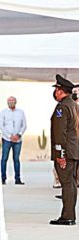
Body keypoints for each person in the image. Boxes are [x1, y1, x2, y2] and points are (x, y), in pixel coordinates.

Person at [49, 74, 79, 226]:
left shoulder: (62, 107)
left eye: (56, 90)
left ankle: (68, 216)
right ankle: (70, 215)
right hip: (74, 151)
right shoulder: (74, 105)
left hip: (66, 152)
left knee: (67, 184)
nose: (55, 93)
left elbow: (60, 133)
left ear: (60, 91)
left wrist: (60, 154)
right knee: (71, 184)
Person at [0, 96, 27, 185]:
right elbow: (1, 126)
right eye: (9, 101)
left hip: (18, 140)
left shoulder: (21, 112)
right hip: (7, 139)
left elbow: (24, 125)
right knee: (4, 159)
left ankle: (17, 179)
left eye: (12, 101)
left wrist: (19, 134)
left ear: (16, 102)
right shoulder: (3, 113)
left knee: (16, 159)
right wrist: (9, 136)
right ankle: (2, 178)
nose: (11, 102)